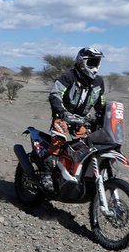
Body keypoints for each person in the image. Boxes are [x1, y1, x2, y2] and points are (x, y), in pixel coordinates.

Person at [44, 47, 105, 190]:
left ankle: (76, 174)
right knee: (58, 141)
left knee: (88, 146)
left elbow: (101, 103)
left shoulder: (98, 82)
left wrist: (104, 116)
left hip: (82, 120)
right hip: (64, 116)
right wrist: (61, 112)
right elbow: (55, 94)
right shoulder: (68, 77)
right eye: (92, 62)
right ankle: (46, 174)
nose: (95, 66)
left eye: (97, 62)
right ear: (81, 62)